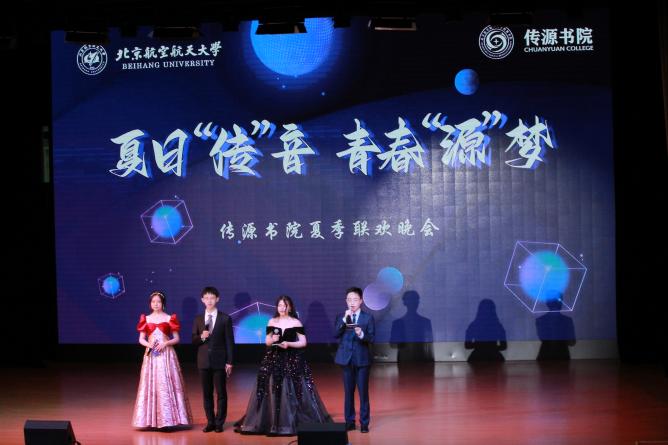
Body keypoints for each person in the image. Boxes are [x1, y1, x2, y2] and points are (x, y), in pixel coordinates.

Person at [235, 295, 332, 436]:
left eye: (285, 305)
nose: (282, 308)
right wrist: (272, 339)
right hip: (273, 358)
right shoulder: (272, 321)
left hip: (291, 359)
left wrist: (288, 344)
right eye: (280, 305)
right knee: (271, 388)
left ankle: (288, 420)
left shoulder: (296, 322)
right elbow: (267, 341)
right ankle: (272, 421)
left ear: (290, 307)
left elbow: (303, 342)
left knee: (292, 388)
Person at [132, 291, 193, 429]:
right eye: (153, 302)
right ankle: (150, 420)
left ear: (163, 304)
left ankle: (168, 420)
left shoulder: (169, 318)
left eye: (158, 302)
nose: (156, 304)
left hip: (166, 355)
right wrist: (150, 345)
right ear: (150, 304)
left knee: (166, 383)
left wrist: (165, 343)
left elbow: (177, 338)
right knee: (151, 384)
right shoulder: (146, 318)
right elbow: (141, 339)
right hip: (151, 356)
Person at [192, 286, 235, 433]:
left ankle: (219, 423)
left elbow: (229, 342)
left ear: (217, 299)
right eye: (206, 298)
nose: (209, 301)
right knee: (207, 393)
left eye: (212, 298)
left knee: (221, 393)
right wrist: (201, 337)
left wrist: (229, 362)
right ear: (202, 300)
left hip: (220, 361)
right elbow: (194, 340)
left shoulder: (225, 318)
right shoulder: (198, 319)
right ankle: (210, 422)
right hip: (203, 361)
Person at [334, 287, 375, 433]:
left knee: (363, 393)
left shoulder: (367, 318)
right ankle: (349, 421)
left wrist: (361, 333)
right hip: (346, 359)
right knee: (348, 392)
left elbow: (371, 338)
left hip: (362, 360)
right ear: (346, 301)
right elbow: (336, 334)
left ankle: (364, 423)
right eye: (349, 300)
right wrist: (344, 320)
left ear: (361, 301)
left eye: (355, 299)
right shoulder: (341, 316)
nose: (352, 302)